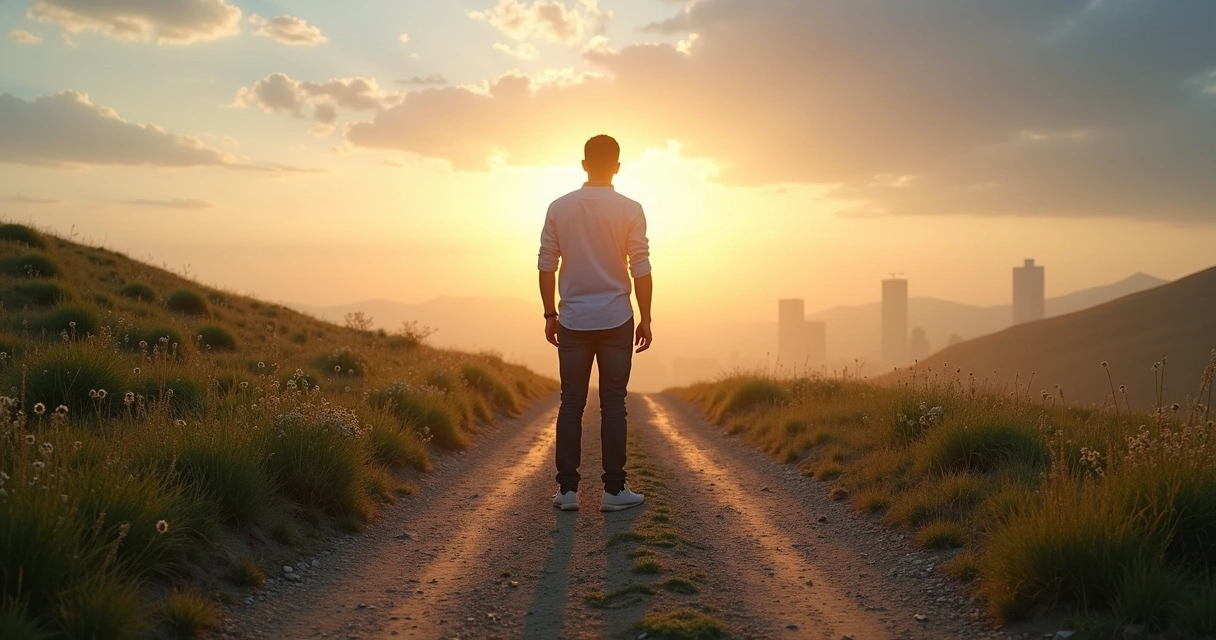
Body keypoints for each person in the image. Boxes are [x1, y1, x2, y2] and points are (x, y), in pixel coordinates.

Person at [538, 134, 653, 513]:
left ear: (584, 163)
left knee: (570, 403)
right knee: (613, 404)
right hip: (617, 316)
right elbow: (641, 267)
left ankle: (568, 492)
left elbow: (545, 264)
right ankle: (614, 491)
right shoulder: (630, 208)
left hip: (572, 317)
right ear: (617, 166)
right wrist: (647, 317)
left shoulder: (559, 206)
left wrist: (550, 314)